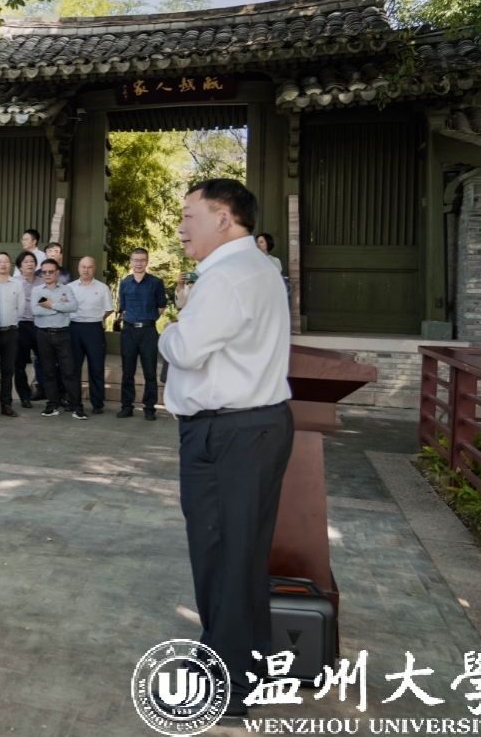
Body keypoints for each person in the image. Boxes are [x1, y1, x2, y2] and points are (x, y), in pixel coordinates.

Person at [158, 178, 293, 720]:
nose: (180, 228)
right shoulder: (258, 267)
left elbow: (186, 349)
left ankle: (230, 682)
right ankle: (245, 661)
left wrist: (170, 327)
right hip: (253, 427)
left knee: (223, 553)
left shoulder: (227, 275)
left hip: (230, 431)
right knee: (240, 552)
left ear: (222, 218)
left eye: (188, 216)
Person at [115, 247, 167, 421]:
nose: (139, 263)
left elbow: (161, 307)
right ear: (131, 262)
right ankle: (126, 406)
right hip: (129, 331)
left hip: (148, 331)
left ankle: (149, 408)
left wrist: (146, 318)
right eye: (135, 260)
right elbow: (123, 307)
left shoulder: (156, 282)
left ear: (147, 262)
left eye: (142, 260)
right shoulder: (125, 282)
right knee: (127, 371)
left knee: (150, 372)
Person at [33, 259, 84, 419]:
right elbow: (35, 310)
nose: (47, 274)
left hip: (63, 334)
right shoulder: (37, 291)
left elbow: (73, 307)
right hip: (43, 334)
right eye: (44, 272)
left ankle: (77, 406)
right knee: (48, 371)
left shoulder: (66, 289)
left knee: (69, 371)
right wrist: (60, 308)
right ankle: (52, 404)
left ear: (57, 273)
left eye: (51, 271)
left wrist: (51, 305)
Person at [67, 256, 113, 415]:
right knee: (73, 368)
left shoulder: (102, 288)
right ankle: (74, 402)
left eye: (89, 267)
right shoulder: (70, 287)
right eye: (83, 267)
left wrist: (95, 317)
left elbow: (108, 309)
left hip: (94, 329)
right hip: (74, 328)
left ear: (94, 268)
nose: (86, 270)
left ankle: (97, 403)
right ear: (78, 268)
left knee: (96, 367)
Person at [0, 252, 25, 417]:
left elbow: (21, 308)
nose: (3, 264)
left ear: (10, 265)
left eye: (6, 261)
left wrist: (12, 323)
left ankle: (6, 404)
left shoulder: (17, 284)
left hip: (11, 332)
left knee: (8, 370)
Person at [13, 250, 42, 410]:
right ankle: (24, 396)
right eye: (26, 262)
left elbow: (47, 301)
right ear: (20, 267)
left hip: (39, 325)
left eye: (32, 261)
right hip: (21, 325)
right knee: (20, 364)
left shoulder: (41, 282)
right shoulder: (14, 282)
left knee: (46, 360)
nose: (30, 264)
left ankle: (47, 391)